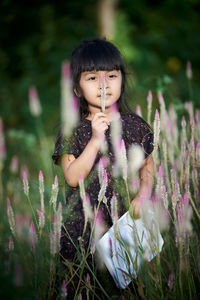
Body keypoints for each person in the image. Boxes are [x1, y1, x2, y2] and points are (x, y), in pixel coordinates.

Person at [52, 38, 154, 298]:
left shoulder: (134, 126)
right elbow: (73, 177)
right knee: (82, 289)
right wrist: (96, 139)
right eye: (92, 78)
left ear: (122, 80)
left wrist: (143, 195)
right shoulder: (71, 131)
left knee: (122, 289)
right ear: (77, 88)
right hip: (81, 231)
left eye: (111, 75)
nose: (104, 85)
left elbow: (147, 166)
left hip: (122, 226)